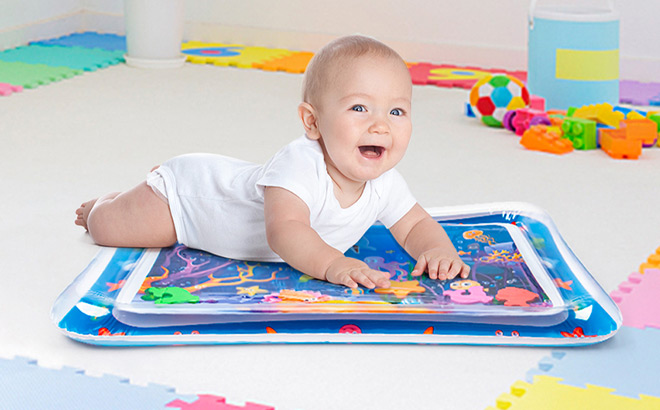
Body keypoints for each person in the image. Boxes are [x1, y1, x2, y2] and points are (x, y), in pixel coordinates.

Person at [75, 34, 470, 289]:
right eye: (360, 108)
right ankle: (103, 204)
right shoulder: (298, 164)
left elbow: (415, 222)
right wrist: (334, 264)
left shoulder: (385, 181)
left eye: (396, 112)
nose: (381, 126)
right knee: (111, 227)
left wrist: (437, 250)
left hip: (208, 191)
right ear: (312, 122)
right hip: (188, 198)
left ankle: (120, 200)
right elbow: (285, 231)